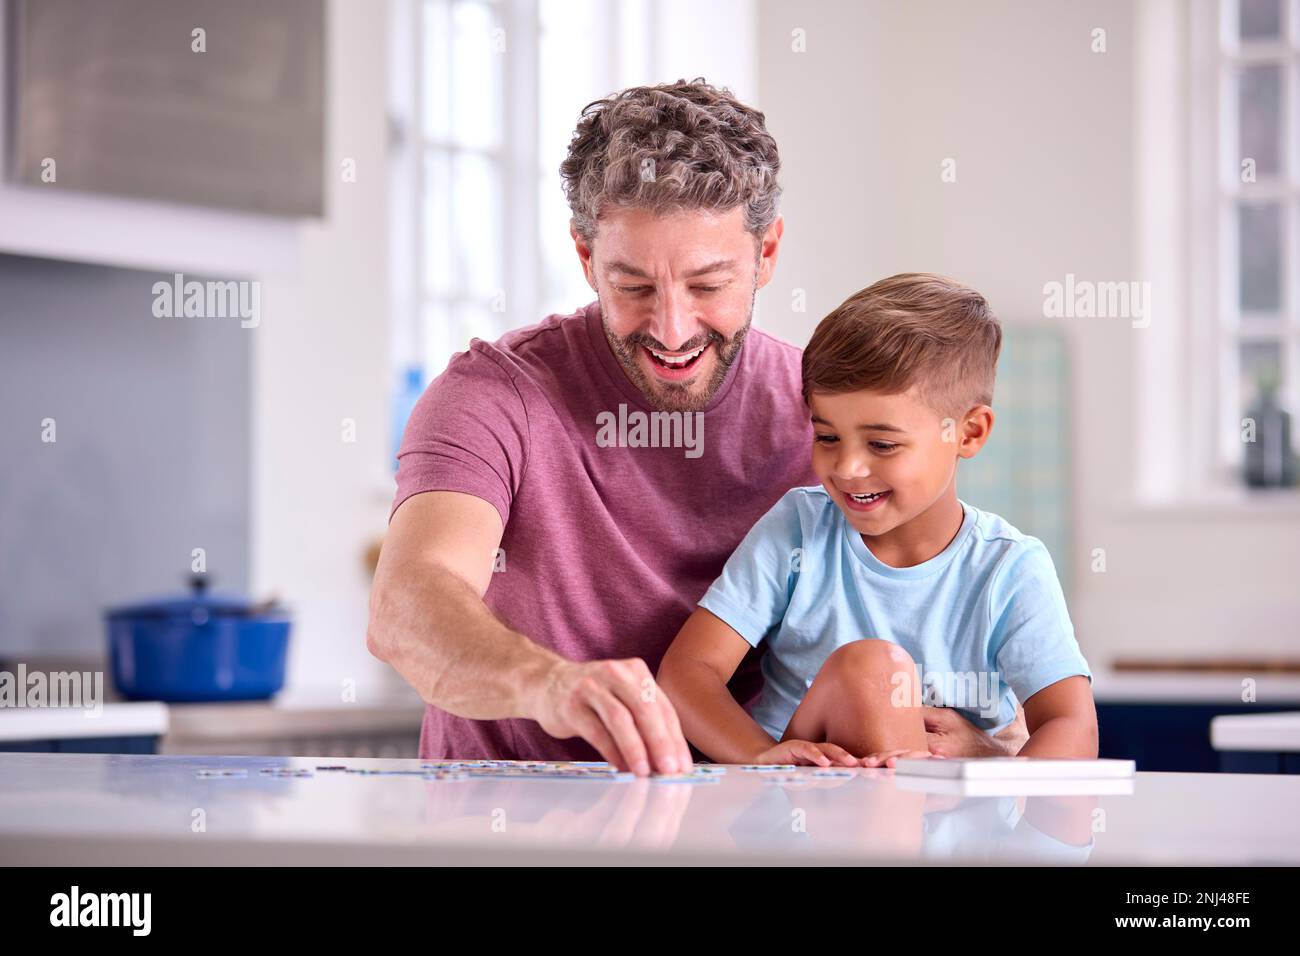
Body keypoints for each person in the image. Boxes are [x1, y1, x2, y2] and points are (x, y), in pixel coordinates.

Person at [368, 81, 1028, 774]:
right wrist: (550, 685)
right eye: (634, 286)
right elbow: (409, 602)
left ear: (766, 254)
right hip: (513, 817)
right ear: (586, 257)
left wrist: (984, 747)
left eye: (708, 285)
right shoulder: (492, 397)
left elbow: (933, 615)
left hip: (752, 822)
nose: (672, 330)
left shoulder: (826, 419)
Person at [658, 274, 1095, 767]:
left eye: (882, 444)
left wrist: (993, 763)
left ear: (968, 433)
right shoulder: (799, 529)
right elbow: (687, 672)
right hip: (802, 812)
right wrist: (764, 755)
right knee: (873, 672)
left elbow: (1070, 724)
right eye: (827, 438)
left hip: (953, 827)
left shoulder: (1010, 567)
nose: (847, 469)